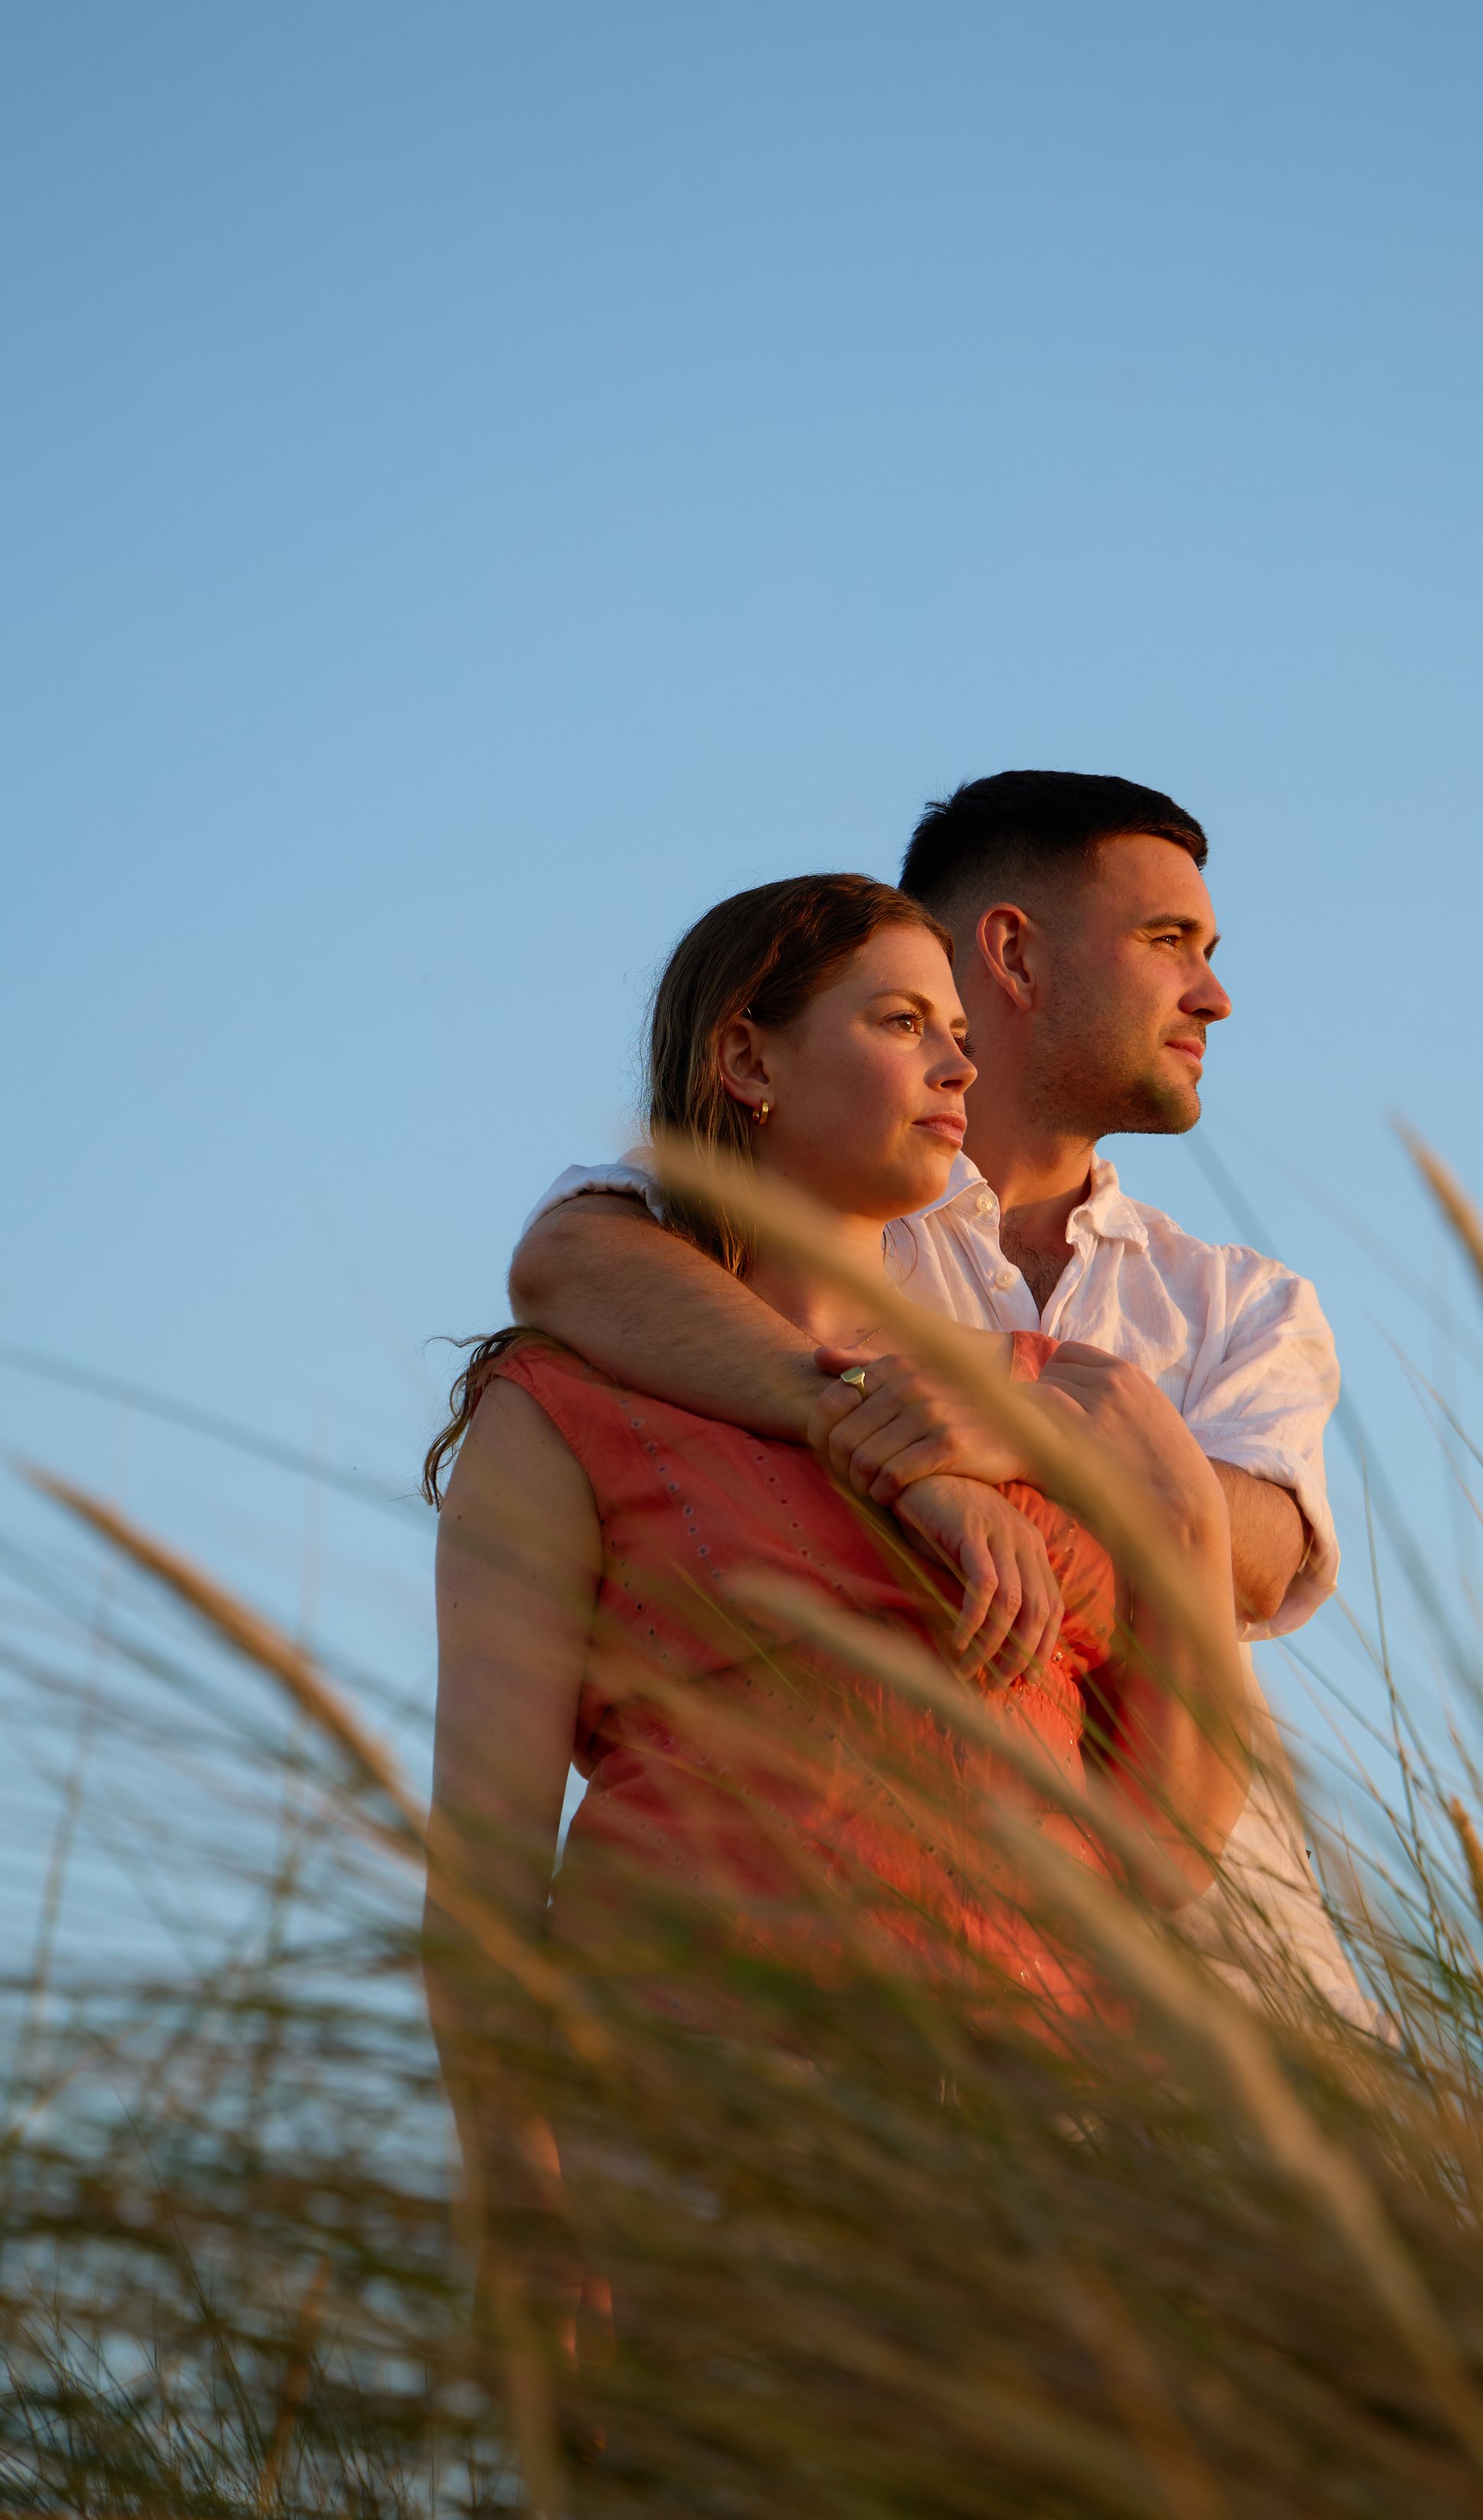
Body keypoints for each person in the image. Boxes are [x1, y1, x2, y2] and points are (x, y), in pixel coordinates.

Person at [508, 771, 1369, 2021]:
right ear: (1013, 953)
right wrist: (912, 1434)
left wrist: (1029, 1430)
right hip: (909, 1988)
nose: (1215, 994)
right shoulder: (833, 1211)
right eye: (1167, 941)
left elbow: (1257, 1557)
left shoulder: (1237, 1299)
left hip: (1251, 1991)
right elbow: (571, 1261)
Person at [424, 874, 1246, 2128]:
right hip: (707, 2112)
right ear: (747, 1057)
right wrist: (527, 2267)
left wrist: (1180, 1501)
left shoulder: (1051, 1397)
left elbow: (1168, 1844)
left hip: (1052, 2137)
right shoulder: (563, 1402)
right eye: (904, 1023)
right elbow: (482, 1893)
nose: (959, 1067)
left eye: (964, 1035)